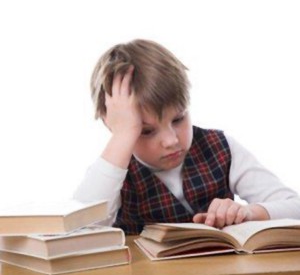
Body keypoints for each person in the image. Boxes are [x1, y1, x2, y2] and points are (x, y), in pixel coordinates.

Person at [74, 39, 300, 235]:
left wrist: (249, 212)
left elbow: (295, 207)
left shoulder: (220, 147)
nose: (171, 140)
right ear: (113, 125)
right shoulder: (111, 172)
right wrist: (123, 136)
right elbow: (77, 232)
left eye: (179, 119)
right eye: (146, 130)